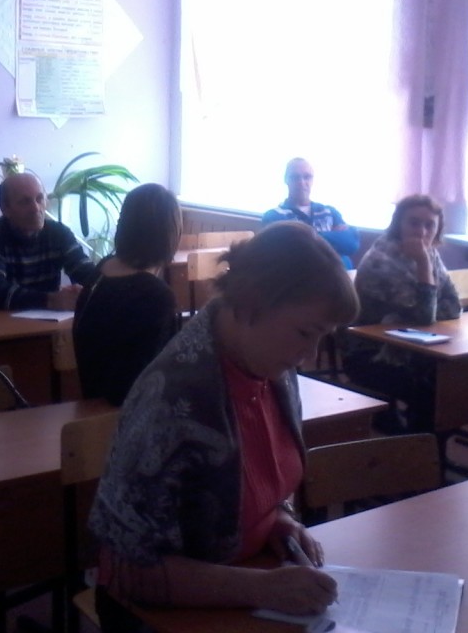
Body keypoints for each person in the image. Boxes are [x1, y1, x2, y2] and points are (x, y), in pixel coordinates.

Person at [88, 222, 359, 630]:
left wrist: (279, 518)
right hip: (157, 614)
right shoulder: (173, 397)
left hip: (244, 579)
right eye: (306, 332)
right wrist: (262, 589)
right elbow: (132, 569)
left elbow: (259, 482)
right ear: (251, 305)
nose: (311, 355)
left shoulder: (271, 363)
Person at [341, 194, 462, 434]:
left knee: (455, 381)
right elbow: (426, 317)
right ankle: (419, 447)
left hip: (414, 349)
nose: (421, 231)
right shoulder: (381, 260)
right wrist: (424, 265)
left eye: (429, 225)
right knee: (431, 390)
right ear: (398, 223)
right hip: (371, 355)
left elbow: (453, 306)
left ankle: (426, 441)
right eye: (413, 222)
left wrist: (423, 309)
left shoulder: (429, 254)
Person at [72, 183, 181, 406]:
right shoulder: (156, 296)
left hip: (91, 401)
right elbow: (158, 378)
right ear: (169, 234)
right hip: (124, 414)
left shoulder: (102, 270)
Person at [0, 171, 98, 310]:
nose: (35, 208)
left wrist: (85, 291)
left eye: (39, 198)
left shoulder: (59, 233)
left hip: (48, 321)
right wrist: (50, 300)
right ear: (5, 208)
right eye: (25, 202)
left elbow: (87, 273)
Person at [261, 158, 359, 269]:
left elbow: (351, 244)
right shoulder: (274, 216)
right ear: (286, 180)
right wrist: (333, 238)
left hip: (341, 276)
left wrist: (304, 237)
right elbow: (290, 251)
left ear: (312, 180)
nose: (301, 182)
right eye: (295, 177)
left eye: (307, 177)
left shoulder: (330, 211)